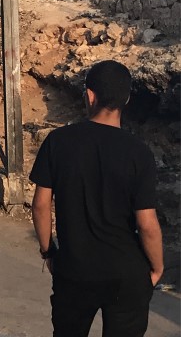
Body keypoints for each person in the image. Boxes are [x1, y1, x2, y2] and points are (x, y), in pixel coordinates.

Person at [30, 60, 163, 337]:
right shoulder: (139, 153)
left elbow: (41, 205)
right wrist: (157, 267)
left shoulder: (58, 141)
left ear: (90, 96)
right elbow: (147, 224)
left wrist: (48, 252)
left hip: (75, 270)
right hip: (126, 273)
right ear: (126, 99)